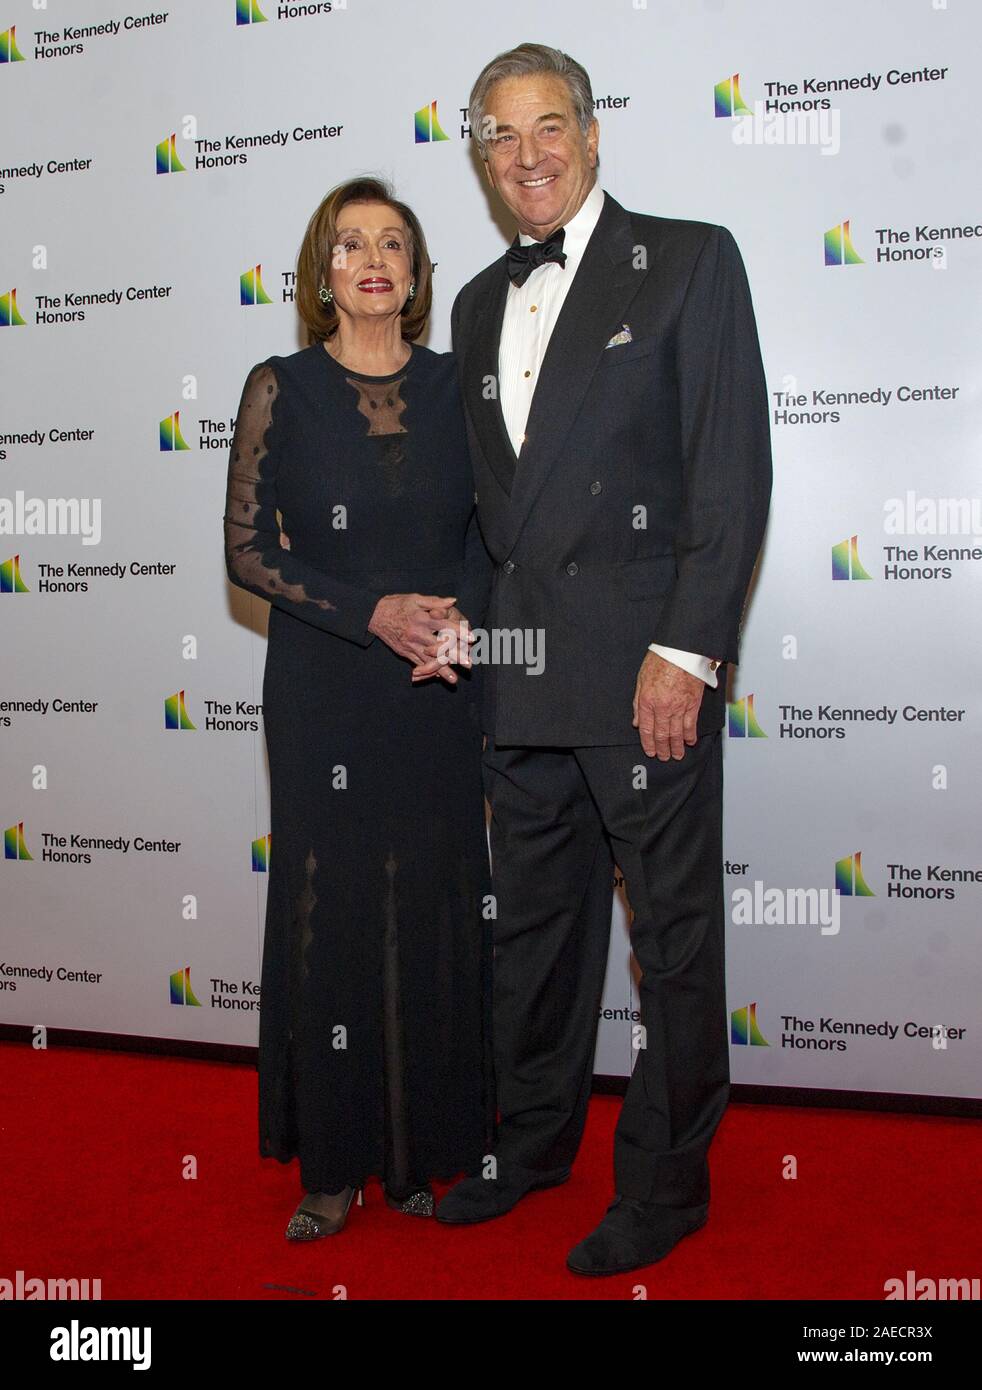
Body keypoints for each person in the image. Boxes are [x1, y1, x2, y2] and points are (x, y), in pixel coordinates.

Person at [431, 43, 772, 1275]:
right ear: (477, 155)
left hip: (644, 679)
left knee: (672, 941)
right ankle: (527, 1149)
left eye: (546, 125)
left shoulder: (687, 259)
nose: (526, 154)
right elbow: (491, 510)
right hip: (519, 677)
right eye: (497, 135)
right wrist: (468, 643)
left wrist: (685, 652)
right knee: (533, 931)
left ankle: (668, 1182)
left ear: (589, 130)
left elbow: (727, 472)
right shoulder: (473, 302)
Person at [223, 176, 495, 1241]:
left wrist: (461, 623)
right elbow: (248, 551)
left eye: (394, 243)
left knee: (432, 903)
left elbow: (489, 532)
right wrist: (366, 612)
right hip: (324, 689)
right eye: (350, 244)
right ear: (321, 272)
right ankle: (333, 1162)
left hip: (437, 687)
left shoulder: (457, 387)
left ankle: (425, 1149)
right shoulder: (278, 387)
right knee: (330, 909)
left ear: (418, 275)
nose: (373, 258)